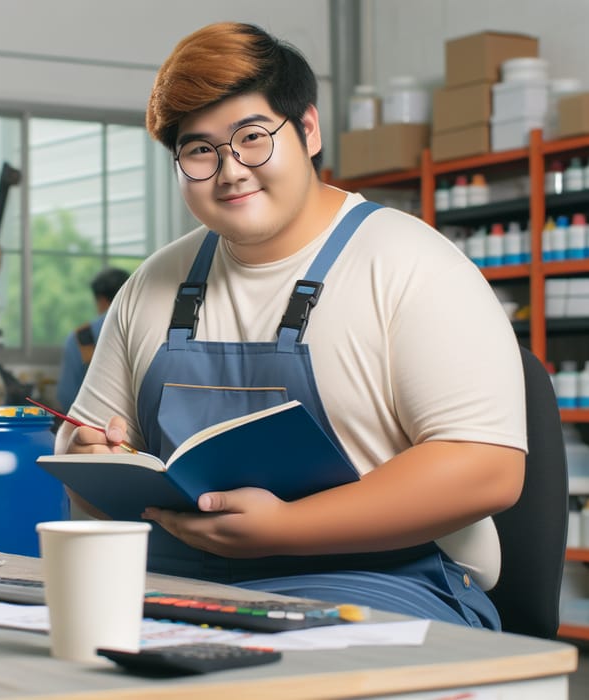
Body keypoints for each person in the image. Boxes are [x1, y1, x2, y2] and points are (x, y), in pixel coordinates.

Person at [55, 22, 527, 630]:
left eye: (251, 138)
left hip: (379, 585)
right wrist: (88, 455)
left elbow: (487, 467)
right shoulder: (152, 284)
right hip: (178, 583)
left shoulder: (412, 264)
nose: (230, 171)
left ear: (307, 130)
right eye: (200, 150)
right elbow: (88, 445)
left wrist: (287, 528)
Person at [56, 266, 129, 413]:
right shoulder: (146, 330)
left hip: (92, 427)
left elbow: (66, 397)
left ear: (100, 299)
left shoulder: (82, 337)